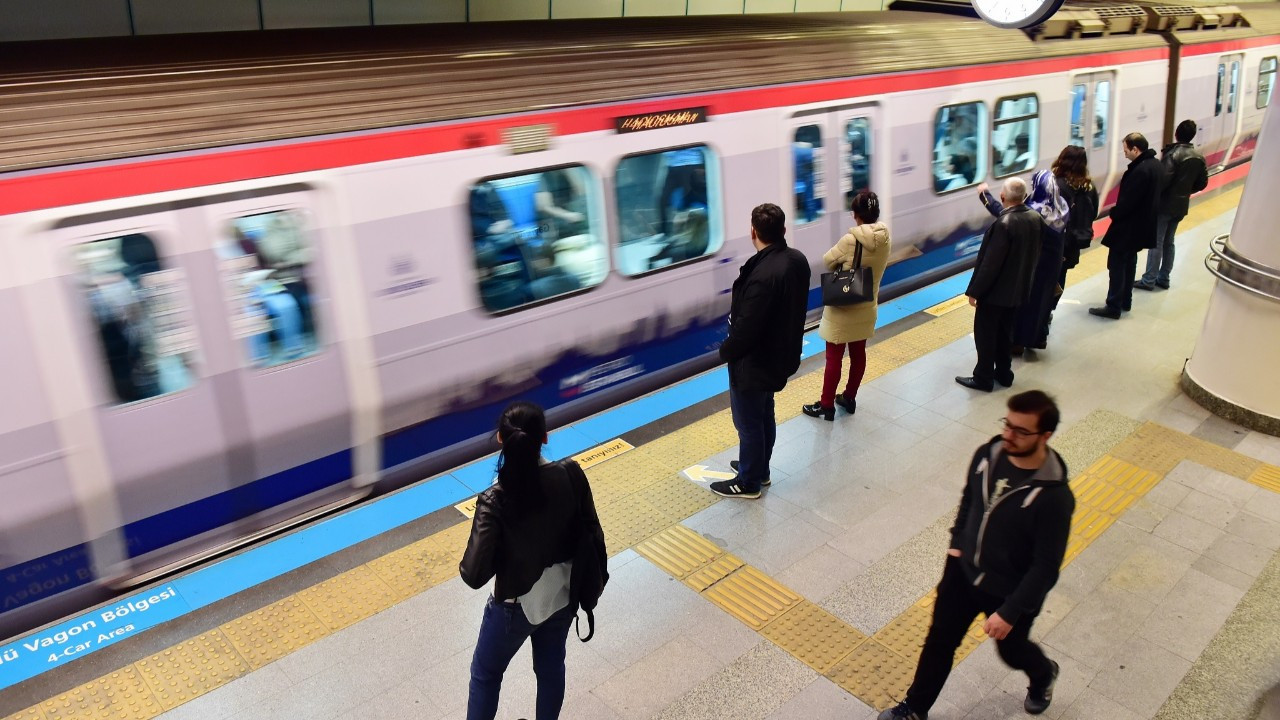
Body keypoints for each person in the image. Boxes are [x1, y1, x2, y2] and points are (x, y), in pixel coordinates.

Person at [879, 390, 1075, 720]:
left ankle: (1043, 674)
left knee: (1012, 652)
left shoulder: (1055, 498)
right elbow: (970, 499)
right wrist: (957, 543)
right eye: (1007, 424)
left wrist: (1010, 612)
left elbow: (1046, 566)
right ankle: (915, 709)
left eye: (1020, 431)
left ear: (1046, 436)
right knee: (940, 641)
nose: (1008, 435)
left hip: (1010, 590)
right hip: (964, 571)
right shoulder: (988, 454)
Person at [459, 401, 605, 720]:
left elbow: (473, 574)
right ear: (545, 438)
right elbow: (593, 532)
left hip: (513, 607)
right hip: (563, 595)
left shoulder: (494, 500)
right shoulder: (571, 474)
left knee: (485, 674)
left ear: (501, 439)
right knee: (551, 667)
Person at [712, 203, 810, 499]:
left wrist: (725, 351)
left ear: (752, 231)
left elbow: (747, 329)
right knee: (765, 413)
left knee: (749, 423)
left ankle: (749, 482)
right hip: (779, 355)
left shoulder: (763, 275)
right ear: (782, 230)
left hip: (754, 361)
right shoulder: (796, 260)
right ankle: (759, 468)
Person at [802, 190, 891, 421]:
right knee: (858, 354)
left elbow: (828, 261)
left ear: (855, 215)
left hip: (843, 306)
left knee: (834, 357)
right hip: (867, 302)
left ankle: (826, 405)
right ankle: (849, 397)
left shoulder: (850, 239)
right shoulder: (885, 237)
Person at [956, 178, 1041, 393]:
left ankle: (983, 377)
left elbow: (990, 265)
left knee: (985, 335)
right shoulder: (1034, 218)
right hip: (1018, 290)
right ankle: (1004, 373)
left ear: (1003, 198)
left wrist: (975, 292)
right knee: (1006, 333)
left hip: (996, 294)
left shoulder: (1003, 225)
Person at [1089, 133, 1162, 319]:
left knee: (1117, 265)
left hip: (1127, 228)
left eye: (1126, 150)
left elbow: (1128, 203)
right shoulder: (1155, 165)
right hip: (1142, 227)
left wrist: (1114, 213)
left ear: (1135, 149)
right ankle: (1125, 301)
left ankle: (1113, 305)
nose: (1125, 154)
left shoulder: (1139, 171)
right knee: (1130, 263)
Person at [1135, 120, 1208, 291]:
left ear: (1177, 134)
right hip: (1181, 205)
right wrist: (1185, 191)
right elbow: (1202, 183)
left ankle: (1149, 279)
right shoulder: (1199, 157)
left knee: (1157, 242)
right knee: (1169, 241)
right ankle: (1164, 277)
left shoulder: (1173, 156)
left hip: (1164, 205)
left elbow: (1162, 181)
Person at [1053, 145, 1099, 310]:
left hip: (1056, 243)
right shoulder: (1089, 186)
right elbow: (1094, 212)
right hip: (1074, 241)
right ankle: (1050, 309)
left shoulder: (1057, 185)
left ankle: (1043, 314)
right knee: (1061, 275)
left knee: (1047, 277)